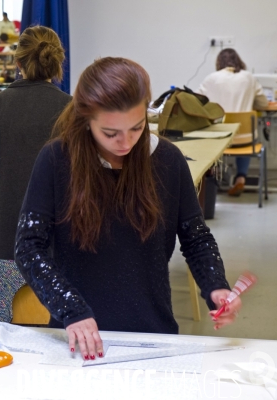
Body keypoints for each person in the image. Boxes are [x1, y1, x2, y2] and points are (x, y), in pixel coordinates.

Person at [15, 57, 241, 361]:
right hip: (79, 335)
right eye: (110, 133)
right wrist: (71, 308)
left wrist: (216, 287)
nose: (125, 142)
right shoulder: (56, 160)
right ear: (86, 119)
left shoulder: (168, 160)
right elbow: (29, 248)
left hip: (152, 334)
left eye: (136, 128)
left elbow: (196, 237)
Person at [0, 26, 71, 266]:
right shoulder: (71, 108)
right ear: (58, 61)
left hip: (4, 229)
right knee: (50, 299)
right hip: (54, 225)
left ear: (18, 62)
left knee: (3, 298)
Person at [197, 48, 268, 196]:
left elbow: (197, 104)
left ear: (219, 63)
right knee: (244, 135)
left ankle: (212, 179)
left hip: (219, 139)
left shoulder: (211, 78)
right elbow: (263, 104)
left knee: (209, 136)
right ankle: (241, 177)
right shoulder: (249, 77)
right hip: (245, 139)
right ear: (238, 61)